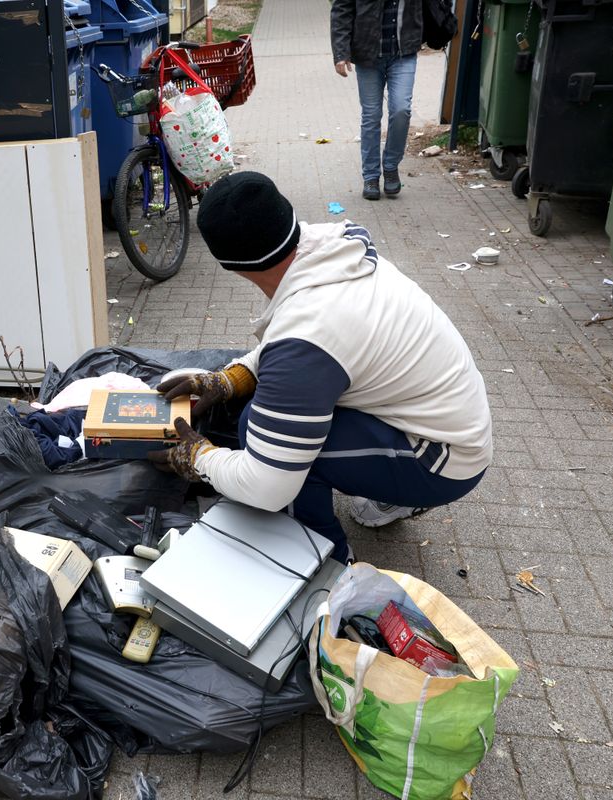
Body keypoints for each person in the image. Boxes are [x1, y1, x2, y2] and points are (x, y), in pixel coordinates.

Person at [149, 172, 492, 561]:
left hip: (444, 460)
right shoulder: (331, 247)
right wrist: (237, 376)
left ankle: (325, 568)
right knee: (275, 417)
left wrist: (199, 459)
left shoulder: (307, 334)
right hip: (443, 419)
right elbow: (318, 343)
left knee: (268, 444)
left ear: (230, 265)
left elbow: (267, 485)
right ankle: (388, 493)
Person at [330, 0, 423, 200]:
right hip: (367, 54)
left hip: (403, 53)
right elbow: (341, 10)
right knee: (372, 115)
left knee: (401, 110)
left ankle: (390, 166)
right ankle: (371, 176)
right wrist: (341, 52)